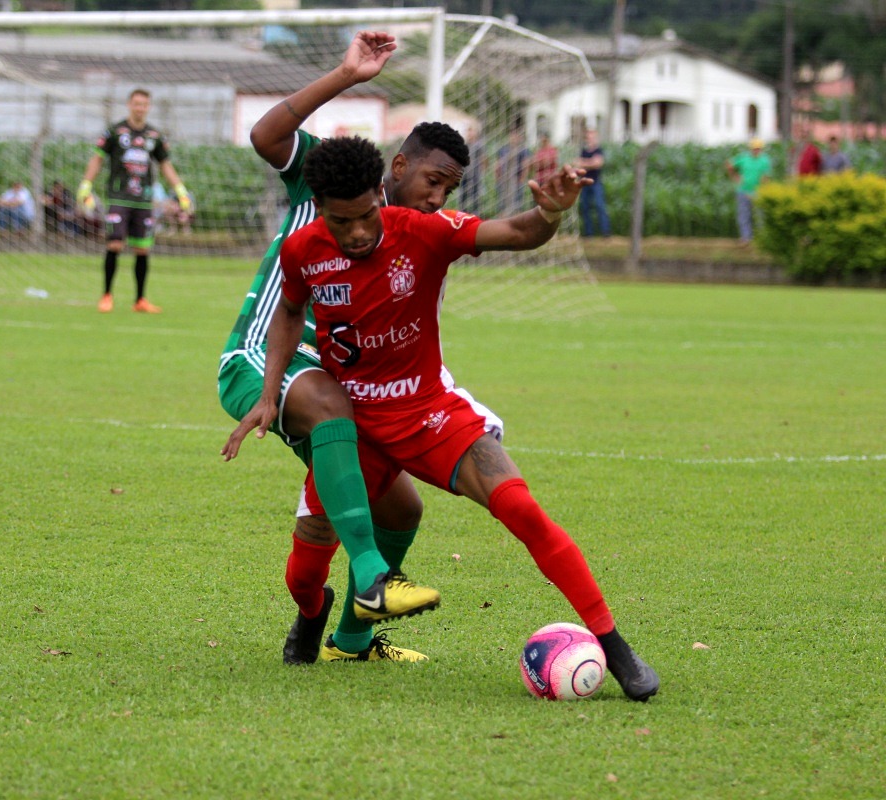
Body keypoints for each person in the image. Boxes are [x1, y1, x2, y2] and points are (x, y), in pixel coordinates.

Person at [231, 135, 660, 701]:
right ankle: (314, 614)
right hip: (352, 425)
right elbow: (288, 311)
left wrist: (551, 213)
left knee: (522, 508)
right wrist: (269, 393)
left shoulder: (425, 231)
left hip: (426, 410)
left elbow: (518, 232)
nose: (355, 233)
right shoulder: (302, 249)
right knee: (303, 575)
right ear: (322, 210)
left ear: (380, 193)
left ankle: (615, 646)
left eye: (365, 216)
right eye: (340, 221)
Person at [220, 32, 454, 666]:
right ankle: (344, 590)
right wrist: (347, 75)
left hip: (334, 388)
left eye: (448, 189)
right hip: (261, 361)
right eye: (431, 181)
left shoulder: (412, 240)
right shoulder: (336, 178)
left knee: (401, 507)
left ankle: (348, 639)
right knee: (330, 416)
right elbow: (267, 136)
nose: (436, 198)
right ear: (396, 168)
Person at [76, 89, 191, 314]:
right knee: (115, 244)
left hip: (144, 200)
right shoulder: (115, 132)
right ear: (129, 104)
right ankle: (106, 295)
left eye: (144, 104)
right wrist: (86, 184)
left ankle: (140, 300)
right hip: (119, 197)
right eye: (137, 104)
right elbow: (97, 158)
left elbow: (165, 165)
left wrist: (180, 190)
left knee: (142, 249)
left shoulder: (154, 136)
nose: (140, 108)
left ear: (148, 107)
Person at [725, 137, 772, 245]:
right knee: (744, 215)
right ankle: (746, 238)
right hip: (743, 190)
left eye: (758, 148)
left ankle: (761, 238)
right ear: (750, 149)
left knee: (760, 216)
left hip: (758, 192)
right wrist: (735, 177)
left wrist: (763, 190)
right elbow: (729, 164)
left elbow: (766, 177)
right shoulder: (743, 158)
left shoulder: (765, 160)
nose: (756, 150)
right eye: (754, 148)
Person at [575, 128, 611, 238]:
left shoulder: (599, 150)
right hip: (584, 183)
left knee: (600, 206)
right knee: (585, 208)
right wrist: (591, 162)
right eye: (588, 136)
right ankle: (588, 234)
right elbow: (577, 163)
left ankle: (605, 233)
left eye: (592, 136)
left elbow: (597, 164)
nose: (590, 138)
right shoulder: (583, 151)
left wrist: (584, 163)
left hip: (596, 183)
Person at [494, 126, 531, 215]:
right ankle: (502, 221)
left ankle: (517, 220)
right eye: (512, 135)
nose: (514, 137)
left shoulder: (523, 149)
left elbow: (526, 164)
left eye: (516, 135)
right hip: (504, 180)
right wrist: (498, 177)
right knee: (502, 205)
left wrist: (522, 178)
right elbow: (498, 164)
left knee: (517, 204)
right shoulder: (503, 149)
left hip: (516, 180)